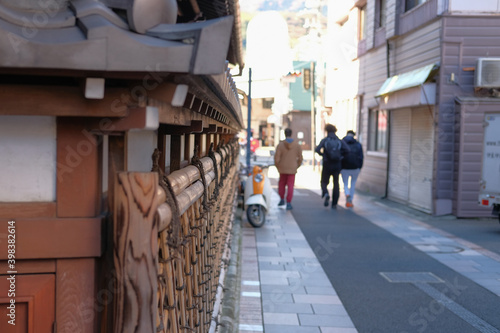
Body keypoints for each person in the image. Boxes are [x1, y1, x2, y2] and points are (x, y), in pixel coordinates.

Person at [315, 124, 349, 209]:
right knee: (336, 183)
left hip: (327, 163)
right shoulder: (339, 140)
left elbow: (317, 149)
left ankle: (326, 193)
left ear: (327, 131)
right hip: (337, 164)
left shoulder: (325, 140)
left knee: (324, 181)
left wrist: (323, 154)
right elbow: (348, 150)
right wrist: (341, 156)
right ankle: (334, 203)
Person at [274, 128, 303, 210]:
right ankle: (289, 202)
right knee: (290, 185)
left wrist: (278, 166)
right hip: (292, 168)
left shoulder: (280, 145)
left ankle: (282, 199)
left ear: (284, 134)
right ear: (291, 133)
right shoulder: (297, 145)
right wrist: (297, 165)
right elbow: (300, 158)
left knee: (281, 184)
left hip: (282, 168)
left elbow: (276, 158)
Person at [341, 130, 364, 208]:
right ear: (354, 136)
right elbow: (361, 157)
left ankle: (347, 194)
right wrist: (360, 167)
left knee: (345, 183)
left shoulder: (342, 143)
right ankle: (350, 200)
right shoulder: (358, 144)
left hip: (344, 167)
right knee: (353, 183)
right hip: (355, 167)